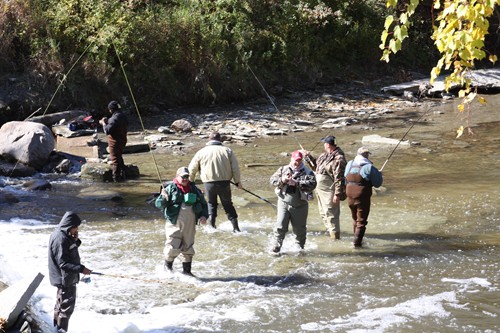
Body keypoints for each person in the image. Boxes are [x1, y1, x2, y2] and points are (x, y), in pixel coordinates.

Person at [155, 167, 208, 276]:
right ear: (177, 177)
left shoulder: (194, 189)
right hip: (174, 222)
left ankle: (187, 272)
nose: (185, 179)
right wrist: (163, 197)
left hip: (190, 222)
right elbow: (158, 205)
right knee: (173, 244)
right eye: (183, 176)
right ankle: (167, 269)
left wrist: (203, 216)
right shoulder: (170, 189)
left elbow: (203, 204)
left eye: (187, 176)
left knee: (188, 246)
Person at [188, 131, 243, 232]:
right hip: (225, 183)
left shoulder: (201, 152)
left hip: (209, 183)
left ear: (209, 140)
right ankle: (236, 229)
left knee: (211, 204)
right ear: (220, 139)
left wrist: (190, 182)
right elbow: (235, 168)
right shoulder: (227, 150)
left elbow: (192, 169)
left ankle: (212, 227)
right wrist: (237, 182)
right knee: (228, 205)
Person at [48, 211, 92, 333]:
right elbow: (63, 263)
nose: (77, 230)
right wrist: (82, 269)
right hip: (65, 279)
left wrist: (75, 240)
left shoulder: (62, 235)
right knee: (66, 309)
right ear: (69, 226)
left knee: (60, 306)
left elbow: (68, 252)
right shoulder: (60, 238)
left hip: (64, 278)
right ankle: (61, 331)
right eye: (75, 227)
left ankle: (55, 329)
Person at [269, 150, 316, 254]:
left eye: (299, 160)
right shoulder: (283, 169)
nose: (297, 162)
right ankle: (277, 246)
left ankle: (300, 249)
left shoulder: (308, 172)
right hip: (283, 202)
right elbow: (272, 180)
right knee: (280, 225)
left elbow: (312, 185)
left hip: (300, 205)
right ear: (291, 159)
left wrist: (297, 183)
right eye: (295, 160)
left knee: (300, 230)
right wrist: (283, 180)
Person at [304, 135, 347, 240]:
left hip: (329, 189)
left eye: (324, 143)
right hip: (320, 189)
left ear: (328, 145)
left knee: (331, 212)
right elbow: (316, 167)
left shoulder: (339, 158)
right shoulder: (324, 155)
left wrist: (337, 194)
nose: (323, 145)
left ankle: (335, 237)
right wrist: (308, 157)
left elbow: (339, 178)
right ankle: (330, 232)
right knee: (323, 212)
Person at [345, 147, 383, 248]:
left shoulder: (350, 163)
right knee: (361, 221)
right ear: (366, 155)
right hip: (362, 196)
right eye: (367, 154)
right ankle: (357, 244)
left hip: (349, 194)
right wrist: (379, 175)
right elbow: (377, 183)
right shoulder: (369, 167)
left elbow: (345, 176)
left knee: (354, 218)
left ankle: (355, 238)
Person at [99, 100, 128, 182]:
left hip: (114, 142)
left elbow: (107, 131)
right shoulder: (123, 116)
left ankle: (116, 181)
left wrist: (103, 123)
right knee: (119, 157)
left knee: (115, 161)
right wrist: (108, 121)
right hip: (122, 140)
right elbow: (115, 124)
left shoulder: (114, 119)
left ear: (111, 110)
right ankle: (124, 176)